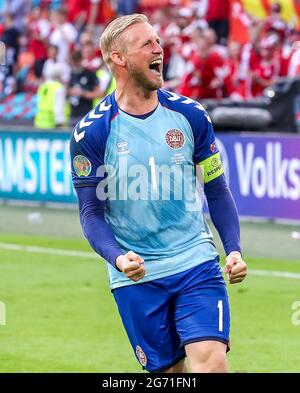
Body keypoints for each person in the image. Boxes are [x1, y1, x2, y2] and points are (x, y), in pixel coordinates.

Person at [70, 14, 247, 373]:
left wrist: (233, 249)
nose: (159, 48)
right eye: (147, 44)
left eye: (158, 41)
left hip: (195, 261)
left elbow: (216, 188)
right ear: (119, 58)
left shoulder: (190, 115)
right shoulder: (91, 134)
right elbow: (91, 213)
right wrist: (119, 258)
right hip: (137, 275)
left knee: (212, 364)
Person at [34, 63, 68, 129]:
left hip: (39, 122)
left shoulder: (42, 86)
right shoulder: (58, 88)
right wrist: (60, 123)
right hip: (52, 124)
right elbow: (58, 107)